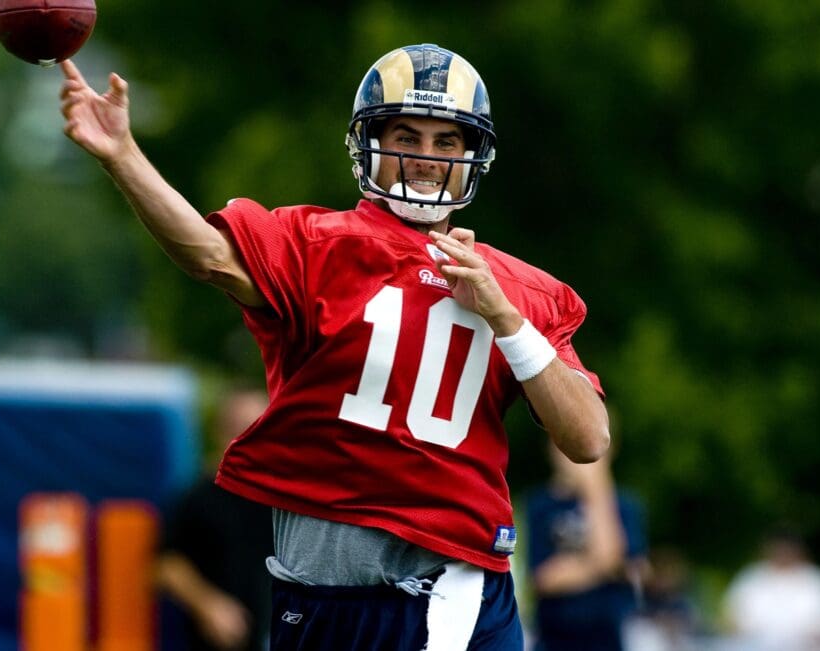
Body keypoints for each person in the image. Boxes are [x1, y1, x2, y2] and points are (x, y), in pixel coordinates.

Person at [59, 43, 610, 650]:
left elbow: (588, 438)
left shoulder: (518, 289)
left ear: (471, 155)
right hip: (310, 593)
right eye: (407, 135)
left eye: (445, 142)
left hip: (440, 588)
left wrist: (506, 320)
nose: (425, 158)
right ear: (368, 143)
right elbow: (208, 254)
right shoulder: (317, 244)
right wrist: (122, 155)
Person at [157, 388, 273, 651]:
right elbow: (167, 563)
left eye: (257, 428)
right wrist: (208, 604)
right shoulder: (199, 496)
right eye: (239, 428)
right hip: (217, 641)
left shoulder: (286, 498)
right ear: (221, 432)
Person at [526, 442, 647, 651]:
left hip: (606, 637)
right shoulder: (540, 505)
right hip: (553, 637)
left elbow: (619, 562)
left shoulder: (625, 506)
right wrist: (599, 566)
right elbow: (543, 579)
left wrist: (595, 492)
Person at [721, 526, 820, 651]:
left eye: (787, 547)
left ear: (798, 549)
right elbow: (731, 619)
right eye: (778, 547)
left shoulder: (817, 581)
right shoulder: (750, 578)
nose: (783, 552)